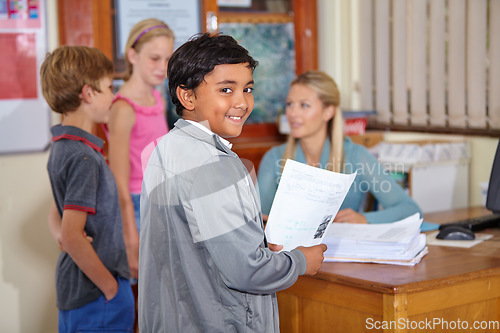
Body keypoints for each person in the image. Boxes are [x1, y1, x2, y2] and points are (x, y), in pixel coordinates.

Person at [139, 33, 327, 332]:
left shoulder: (165, 148)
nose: (242, 102)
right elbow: (247, 271)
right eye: (226, 89)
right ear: (187, 96)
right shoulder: (215, 166)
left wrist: (255, 238)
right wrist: (301, 261)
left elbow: (200, 243)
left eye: (247, 89)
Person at [41, 46, 134, 333]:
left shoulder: (62, 147)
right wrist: (111, 289)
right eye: (108, 87)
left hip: (78, 293)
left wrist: (63, 236)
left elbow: (56, 217)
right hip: (98, 295)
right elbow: (72, 234)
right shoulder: (84, 157)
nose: (113, 96)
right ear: (88, 93)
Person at [257, 70, 422, 224]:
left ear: (328, 112)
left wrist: (364, 219)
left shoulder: (355, 156)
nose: (292, 113)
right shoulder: (274, 158)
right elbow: (260, 219)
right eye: (290, 104)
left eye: (304, 105)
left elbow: (410, 210)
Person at [104, 18, 175, 281]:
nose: (162, 67)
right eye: (154, 58)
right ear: (132, 55)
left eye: (168, 59)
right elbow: (118, 181)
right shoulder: (123, 108)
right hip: (135, 205)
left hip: (159, 199)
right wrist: (130, 235)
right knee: (141, 292)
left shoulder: (156, 97)